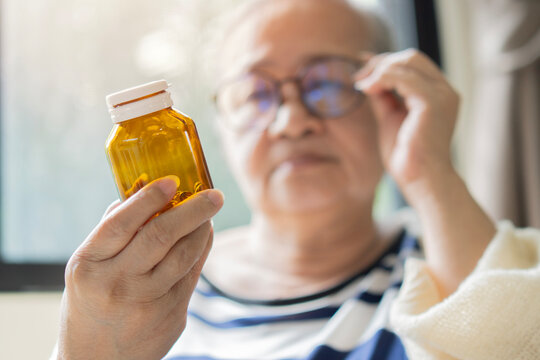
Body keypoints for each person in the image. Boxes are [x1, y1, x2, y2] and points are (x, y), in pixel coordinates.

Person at [54, 0, 540, 359]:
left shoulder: (452, 259)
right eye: (256, 94)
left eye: (328, 82)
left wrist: (431, 173)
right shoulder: (150, 292)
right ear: (218, 133)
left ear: (390, 99)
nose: (292, 122)